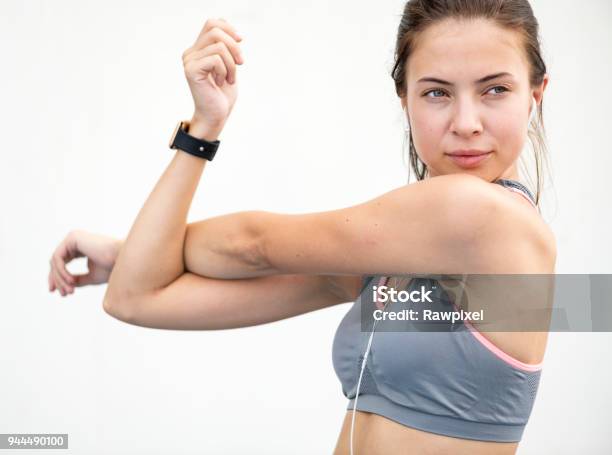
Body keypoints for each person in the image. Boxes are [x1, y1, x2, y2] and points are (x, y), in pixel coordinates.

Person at [48, 1, 556, 453]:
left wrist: (145, 240)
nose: (466, 121)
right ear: (404, 100)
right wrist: (132, 246)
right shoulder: (399, 260)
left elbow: (254, 246)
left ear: (536, 94)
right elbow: (136, 299)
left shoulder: (482, 215)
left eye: (495, 89)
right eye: (437, 93)